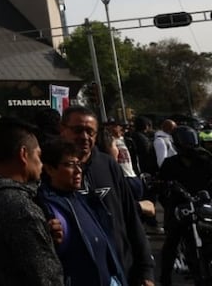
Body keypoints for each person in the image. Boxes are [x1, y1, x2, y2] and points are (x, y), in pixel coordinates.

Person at [0, 117, 63, 286]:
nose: (41, 164)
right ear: (24, 154)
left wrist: (44, 236)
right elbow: (46, 277)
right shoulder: (21, 209)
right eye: (38, 155)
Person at [59, 106, 155, 286]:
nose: (84, 137)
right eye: (77, 130)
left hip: (121, 272)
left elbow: (130, 219)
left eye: (90, 132)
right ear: (62, 130)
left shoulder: (108, 164)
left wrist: (146, 271)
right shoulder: (51, 171)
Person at [37, 139, 125, 286]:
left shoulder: (85, 200)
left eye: (79, 164)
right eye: (70, 165)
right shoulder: (45, 207)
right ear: (49, 169)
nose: (78, 171)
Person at [157, 125, 212, 285]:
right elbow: (161, 187)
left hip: (204, 206)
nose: (190, 147)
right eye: (186, 144)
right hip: (180, 209)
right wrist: (171, 200)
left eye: (191, 143)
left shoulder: (206, 160)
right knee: (171, 243)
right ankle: (165, 278)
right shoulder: (170, 164)